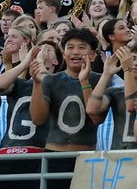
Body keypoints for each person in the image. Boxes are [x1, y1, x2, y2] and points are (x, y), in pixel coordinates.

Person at [29, 29, 102, 189]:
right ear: (63, 52)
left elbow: (96, 117)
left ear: (93, 54)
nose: (75, 52)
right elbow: (38, 119)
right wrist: (37, 83)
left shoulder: (100, 80)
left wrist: (84, 81)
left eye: (82, 47)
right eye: (70, 47)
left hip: (86, 155)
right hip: (53, 154)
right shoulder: (50, 80)